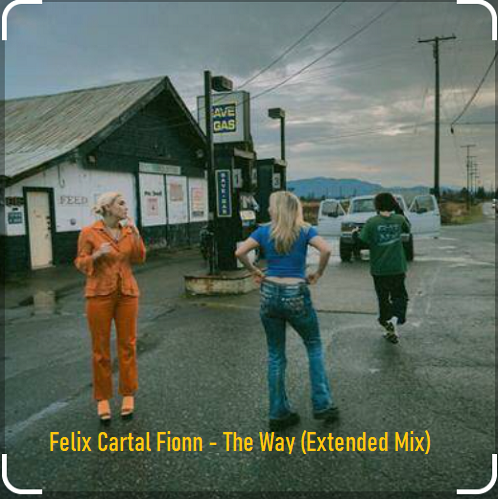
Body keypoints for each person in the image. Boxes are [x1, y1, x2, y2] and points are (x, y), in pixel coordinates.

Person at [235, 191, 338, 431]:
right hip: (296, 294)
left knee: (275, 355)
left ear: (276, 209)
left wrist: (254, 271)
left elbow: (239, 252)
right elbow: (326, 250)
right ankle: (322, 404)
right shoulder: (305, 230)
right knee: (313, 346)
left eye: (271, 206)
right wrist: (318, 273)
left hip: (269, 293)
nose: (268, 209)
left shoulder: (264, 231)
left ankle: (278, 412)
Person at [75, 192, 146, 423]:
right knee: (100, 349)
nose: (126, 207)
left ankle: (128, 394)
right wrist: (96, 255)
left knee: (128, 345)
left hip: (127, 293)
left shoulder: (128, 231)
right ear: (107, 207)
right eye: (121, 203)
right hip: (99, 294)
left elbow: (139, 258)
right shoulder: (89, 232)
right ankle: (103, 398)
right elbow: (80, 262)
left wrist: (137, 235)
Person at [356, 192, 411, 344]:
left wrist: (355, 235)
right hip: (397, 267)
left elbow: (361, 242)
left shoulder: (371, 222)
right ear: (393, 204)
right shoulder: (399, 219)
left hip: (379, 269)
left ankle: (388, 325)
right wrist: (399, 210)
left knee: (383, 298)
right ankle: (394, 320)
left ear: (377, 205)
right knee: (400, 296)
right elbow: (408, 228)